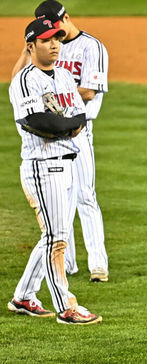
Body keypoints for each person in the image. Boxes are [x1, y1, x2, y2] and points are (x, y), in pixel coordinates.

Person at [7, 17, 102, 324]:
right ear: (31, 45)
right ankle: (67, 306)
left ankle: (23, 296)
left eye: (58, 39)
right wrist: (62, 127)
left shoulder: (63, 77)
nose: (55, 44)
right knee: (57, 239)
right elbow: (37, 123)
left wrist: (60, 126)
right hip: (42, 168)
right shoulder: (25, 80)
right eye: (47, 40)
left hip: (65, 166)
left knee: (52, 237)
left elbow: (78, 119)